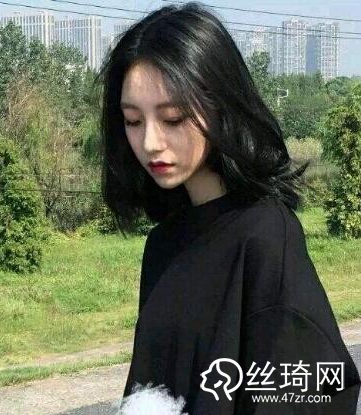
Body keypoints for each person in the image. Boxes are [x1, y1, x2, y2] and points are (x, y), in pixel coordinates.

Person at [96, 2, 361, 413]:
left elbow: (316, 389)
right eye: (133, 120)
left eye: (173, 118)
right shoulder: (162, 244)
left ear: (221, 106)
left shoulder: (265, 234)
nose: (149, 142)